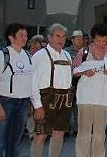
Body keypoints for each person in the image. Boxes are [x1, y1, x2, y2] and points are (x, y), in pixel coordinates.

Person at [0, 23, 32, 157]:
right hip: (5, 102)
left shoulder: (27, 55)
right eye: (21, 35)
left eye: (26, 35)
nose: (25, 38)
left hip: (23, 103)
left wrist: (29, 102)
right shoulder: (2, 55)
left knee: (15, 142)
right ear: (11, 38)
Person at [72, 24, 107, 157]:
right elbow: (74, 72)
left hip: (103, 98)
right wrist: (84, 72)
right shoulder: (83, 52)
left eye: (104, 41)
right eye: (98, 41)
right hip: (86, 98)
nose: (101, 44)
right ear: (92, 39)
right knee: (84, 133)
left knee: (99, 134)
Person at [30, 23, 74, 157]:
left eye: (63, 36)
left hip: (65, 99)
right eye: (57, 36)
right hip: (46, 99)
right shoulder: (40, 56)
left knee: (59, 134)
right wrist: (37, 106)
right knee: (41, 135)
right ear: (49, 38)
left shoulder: (67, 55)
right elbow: (32, 83)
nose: (61, 39)